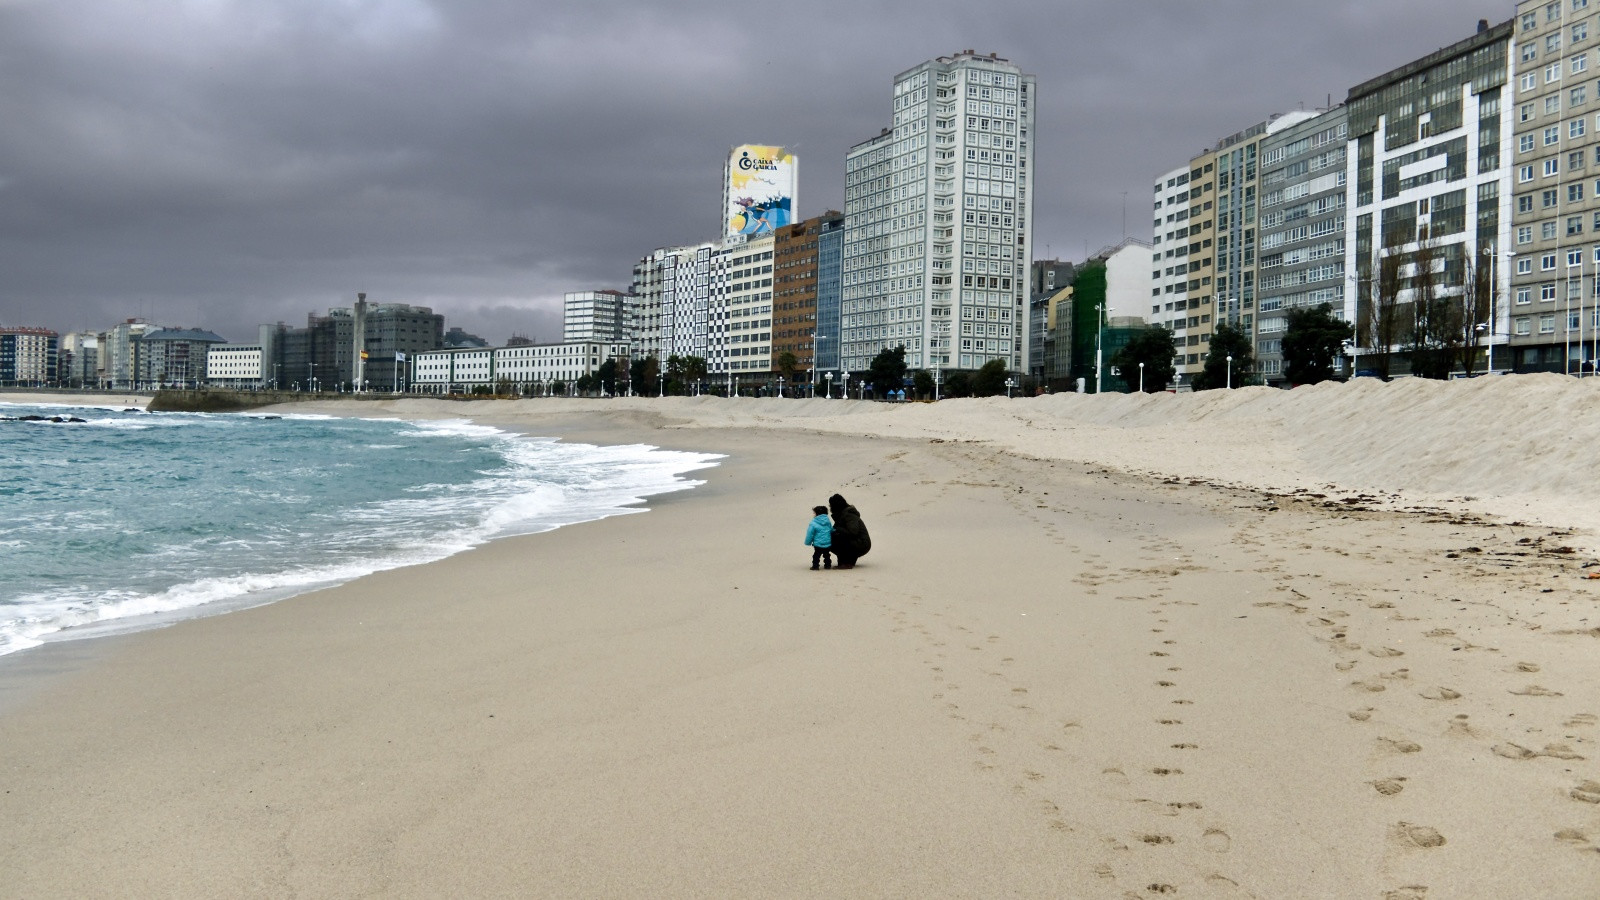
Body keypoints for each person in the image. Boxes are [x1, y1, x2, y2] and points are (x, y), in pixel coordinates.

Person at [828, 493, 871, 569]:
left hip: (862, 544)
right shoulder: (842, 515)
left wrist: (836, 530)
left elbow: (853, 532)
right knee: (829, 537)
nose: (830, 508)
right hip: (858, 542)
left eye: (831, 505)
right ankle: (846, 561)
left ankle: (847, 562)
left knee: (835, 537)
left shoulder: (849, 514)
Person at [804, 505, 833, 570]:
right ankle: (828, 565)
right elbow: (831, 529)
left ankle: (815, 566)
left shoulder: (813, 523)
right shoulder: (828, 522)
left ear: (817, 514)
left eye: (814, 513)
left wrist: (808, 542)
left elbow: (810, 534)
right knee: (827, 555)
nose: (813, 515)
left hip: (818, 544)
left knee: (816, 556)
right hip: (827, 543)